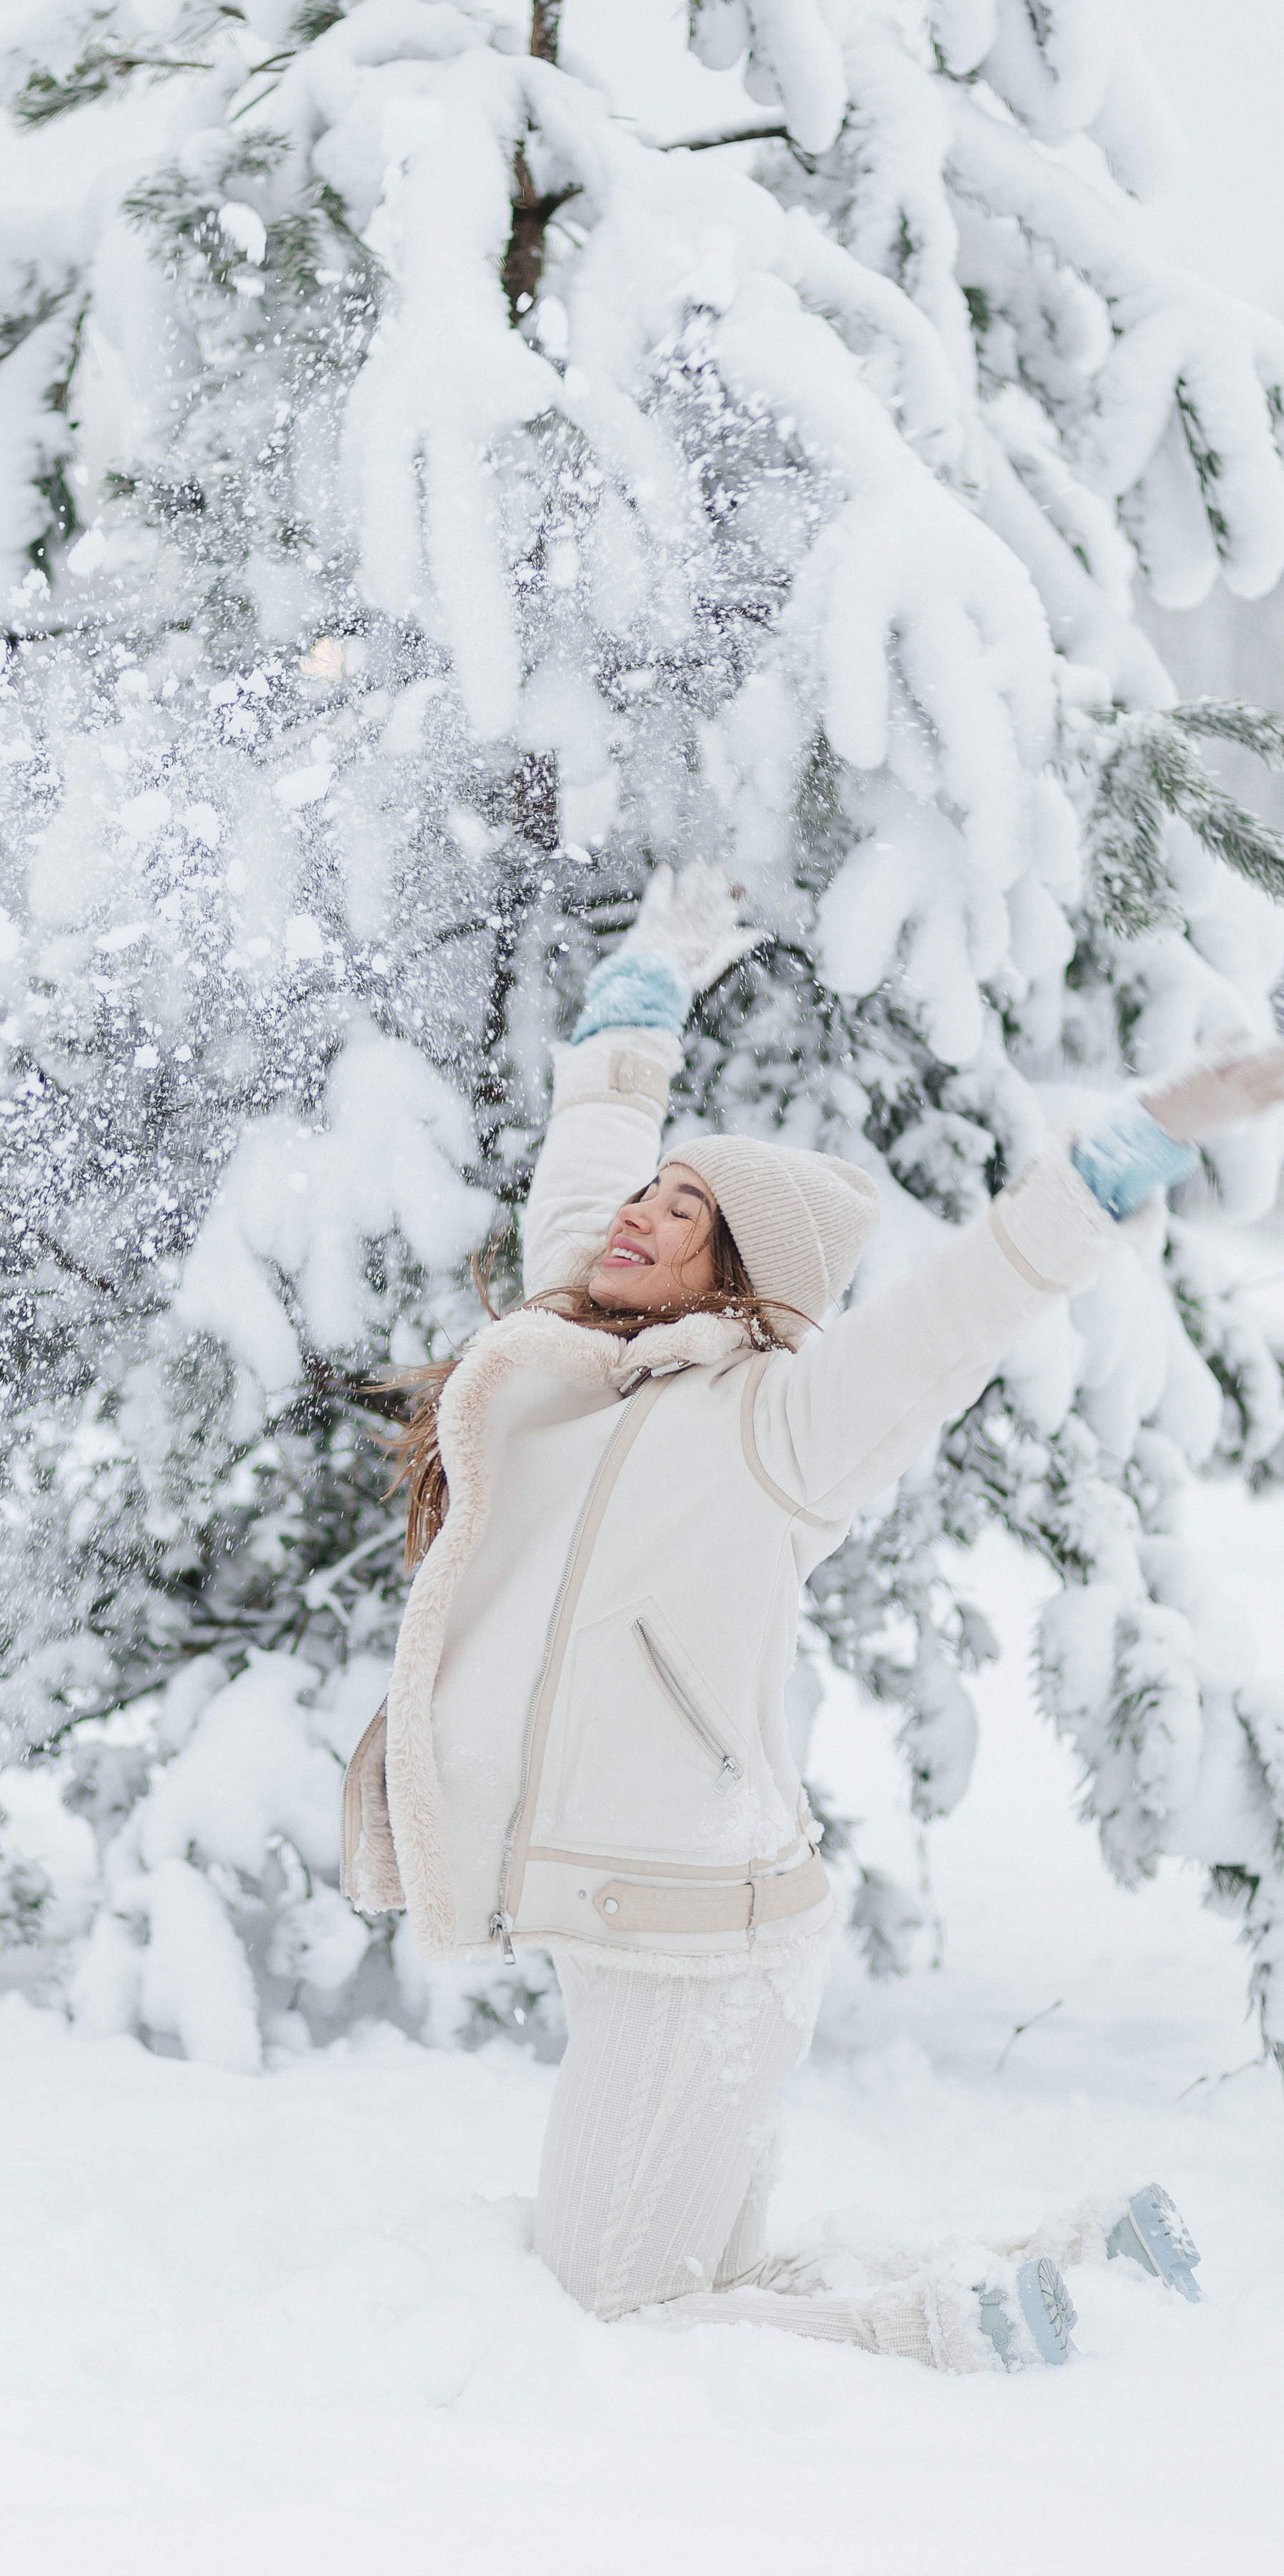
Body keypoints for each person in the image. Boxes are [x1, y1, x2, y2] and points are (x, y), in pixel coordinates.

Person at [344, 862, 1281, 2372]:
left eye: (683, 1212)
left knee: (612, 2318)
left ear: (743, 1276)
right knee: (697, 2268)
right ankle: (1072, 2267)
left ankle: (950, 2332)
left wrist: (1133, 1144)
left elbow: (966, 1303)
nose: (637, 1216)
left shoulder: (786, 1424)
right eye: (648, 1200)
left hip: (696, 1945)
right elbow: (592, 1140)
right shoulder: (569, 1349)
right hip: (637, 1919)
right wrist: (649, 979)